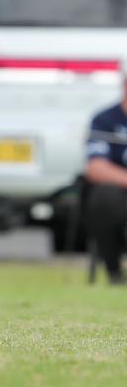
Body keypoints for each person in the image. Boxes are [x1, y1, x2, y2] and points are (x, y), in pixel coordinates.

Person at [84, 75, 127, 284]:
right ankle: (114, 272)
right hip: (119, 192)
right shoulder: (105, 120)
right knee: (105, 196)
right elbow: (96, 168)